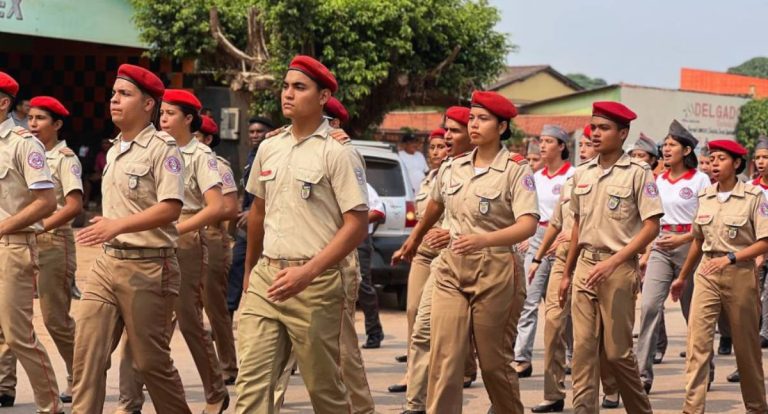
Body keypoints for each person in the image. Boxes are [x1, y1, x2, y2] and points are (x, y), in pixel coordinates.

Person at [235, 55, 370, 413]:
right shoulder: (269, 147)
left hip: (316, 282)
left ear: (323, 96)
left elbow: (356, 225)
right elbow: (258, 213)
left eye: (299, 87)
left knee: (324, 389)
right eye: (285, 86)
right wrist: (250, 271)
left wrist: (307, 273)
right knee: (251, 386)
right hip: (267, 278)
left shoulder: (338, 152)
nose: (288, 94)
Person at [394, 91, 538, 413]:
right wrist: (415, 237)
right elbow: (436, 204)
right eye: (472, 118)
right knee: (445, 357)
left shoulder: (516, 169)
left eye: (483, 119)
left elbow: (528, 224)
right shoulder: (452, 166)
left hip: (496, 270)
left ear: (502, 127)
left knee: (493, 363)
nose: (474, 124)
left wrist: (483, 240)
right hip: (451, 268)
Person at [71, 64, 191, 413]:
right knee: (87, 356)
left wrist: (117, 225)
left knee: (150, 363)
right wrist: (112, 230)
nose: (114, 100)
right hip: (107, 264)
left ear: (149, 104)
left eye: (124, 94)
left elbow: (171, 208)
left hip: (150, 268)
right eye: (113, 94)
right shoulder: (114, 149)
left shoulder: (163, 148)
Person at [117, 89, 228, 414]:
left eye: (170, 114)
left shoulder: (200, 155)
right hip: (148, 239)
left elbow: (217, 207)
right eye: (161, 113)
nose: (163, 119)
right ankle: (129, 401)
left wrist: (178, 229)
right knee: (137, 320)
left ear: (189, 119)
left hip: (185, 238)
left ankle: (216, 390)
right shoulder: (149, 147)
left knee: (189, 320)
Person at [560, 101, 660, 414]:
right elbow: (577, 226)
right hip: (585, 266)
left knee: (617, 354)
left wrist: (614, 262)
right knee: (583, 351)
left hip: (618, 268)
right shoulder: (582, 173)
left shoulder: (638, 173)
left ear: (623, 133)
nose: (595, 133)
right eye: (593, 127)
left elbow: (652, 227)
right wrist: (567, 273)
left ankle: (640, 410)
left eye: (604, 128)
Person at [391, 106, 479, 414]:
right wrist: (412, 241)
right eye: (438, 141)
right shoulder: (438, 175)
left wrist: (452, 236)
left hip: (464, 257)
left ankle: (473, 373)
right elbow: (430, 212)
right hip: (430, 254)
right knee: (419, 320)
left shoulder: (492, 171)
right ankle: (415, 400)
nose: (443, 143)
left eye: (453, 133)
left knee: (471, 340)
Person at [670, 139, 768, 413]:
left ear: (736, 164)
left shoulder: (753, 197)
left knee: (746, 348)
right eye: (711, 158)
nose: (714, 163)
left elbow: (765, 241)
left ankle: (756, 407)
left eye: (721, 159)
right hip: (707, 273)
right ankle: (692, 408)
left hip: (740, 272)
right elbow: (698, 240)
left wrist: (731, 258)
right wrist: (683, 277)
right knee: (697, 344)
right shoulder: (705, 197)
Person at [0, 96, 83, 405]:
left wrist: (34, 227)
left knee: (52, 320)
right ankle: (5, 385)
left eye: (41, 118)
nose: (34, 123)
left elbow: (70, 206)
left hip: (49, 241)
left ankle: (79, 378)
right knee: (5, 324)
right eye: (31, 117)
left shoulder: (59, 156)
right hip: (17, 238)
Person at [0, 72, 62, 413]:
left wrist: (3, 227)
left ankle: (50, 405)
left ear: (3, 102)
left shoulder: (24, 144)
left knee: (17, 333)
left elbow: (47, 202)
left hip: (13, 245)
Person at [635, 120, 711, 394]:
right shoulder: (656, 180)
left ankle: (704, 367)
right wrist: (645, 253)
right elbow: (649, 219)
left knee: (694, 314)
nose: (666, 149)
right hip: (660, 247)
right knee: (649, 307)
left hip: (691, 247)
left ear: (686, 150)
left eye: (672, 145)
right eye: (664, 145)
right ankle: (642, 374)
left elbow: (707, 220)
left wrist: (684, 238)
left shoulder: (700, 180)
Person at [388, 123, 451, 392]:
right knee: (413, 310)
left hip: (448, 250)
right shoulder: (427, 179)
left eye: (442, 147)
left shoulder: (455, 175)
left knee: (441, 318)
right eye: (433, 147)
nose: (436, 152)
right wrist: (409, 244)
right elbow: (420, 220)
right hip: (424, 251)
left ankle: (454, 369)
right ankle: (412, 373)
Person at [514, 125, 574, 378]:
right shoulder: (535, 177)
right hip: (538, 237)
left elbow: (575, 214)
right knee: (528, 299)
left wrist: (564, 239)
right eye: (541, 140)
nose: (543, 145)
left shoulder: (573, 175)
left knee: (562, 303)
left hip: (563, 239)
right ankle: (522, 357)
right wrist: (528, 236)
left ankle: (571, 355)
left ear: (561, 146)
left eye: (549, 141)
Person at [196, 115, 240, 384]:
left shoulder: (217, 166)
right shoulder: (173, 160)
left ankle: (227, 366)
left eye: (197, 136)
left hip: (211, 237)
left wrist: (198, 216)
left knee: (214, 306)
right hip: (178, 239)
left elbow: (231, 208)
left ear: (208, 139)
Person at [227, 116, 274, 315]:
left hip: (268, 223)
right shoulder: (251, 157)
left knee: (265, 270)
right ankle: (229, 313)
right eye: (252, 132)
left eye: (259, 131)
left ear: (269, 133)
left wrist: (253, 211)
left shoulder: (274, 155)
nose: (255, 135)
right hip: (247, 224)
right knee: (236, 266)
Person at [752, 136, 768, 348]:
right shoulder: (749, 188)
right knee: (753, 294)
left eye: (765, 157)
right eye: (758, 158)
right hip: (755, 249)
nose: (761, 162)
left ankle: (765, 333)